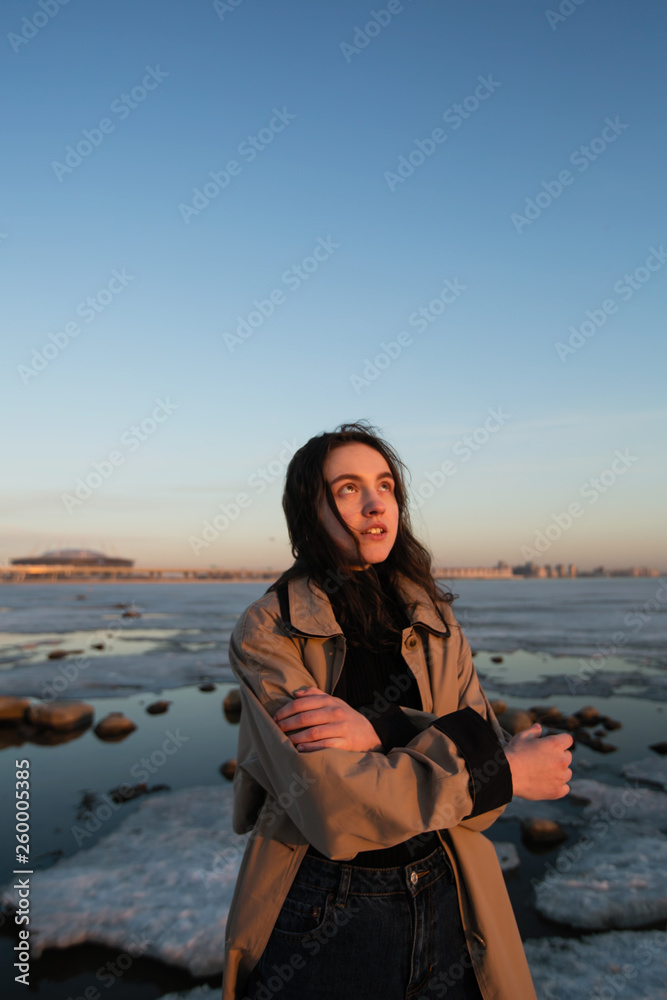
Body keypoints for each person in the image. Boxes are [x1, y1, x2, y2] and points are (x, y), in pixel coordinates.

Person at [222, 422, 572, 1000]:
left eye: (385, 484)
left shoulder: (431, 617)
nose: (375, 501)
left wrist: (379, 730)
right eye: (347, 489)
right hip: (326, 912)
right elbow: (334, 809)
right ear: (309, 510)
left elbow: (479, 809)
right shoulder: (269, 631)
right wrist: (503, 769)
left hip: (450, 894)